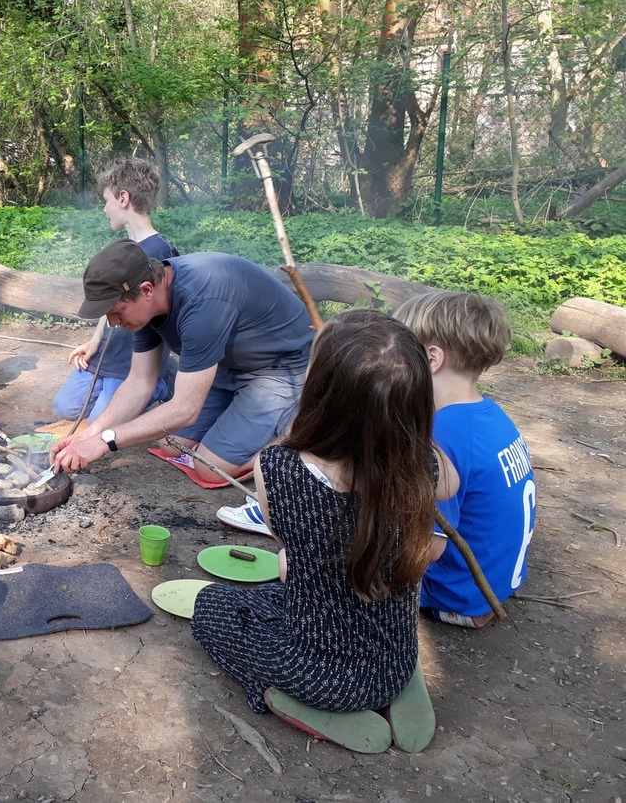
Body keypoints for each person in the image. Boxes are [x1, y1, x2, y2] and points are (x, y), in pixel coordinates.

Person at [190, 310, 459, 754]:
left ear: (319, 393)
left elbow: (288, 546)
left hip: (319, 675)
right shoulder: (423, 467)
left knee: (212, 607)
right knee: (309, 594)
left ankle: (291, 704)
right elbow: (450, 483)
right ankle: (396, 688)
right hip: (394, 658)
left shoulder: (275, 467)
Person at [50, 239, 314, 483]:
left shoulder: (202, 304)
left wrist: (105, 442)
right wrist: (91, 433)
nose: (113, 323)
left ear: (146, 290)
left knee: (211, 469)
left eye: (117, 312)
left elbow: (186, 409)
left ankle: (303, 438)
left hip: (278, 367)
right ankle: (241, 422)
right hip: (226, 364)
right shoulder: (144, 306)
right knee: (171, 443)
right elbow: (140, 382)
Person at [394, 291, 536, 629]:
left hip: (457, 595)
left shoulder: (440, 435)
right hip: (496, 582)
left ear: (431, 359)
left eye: (397, 355)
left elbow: (428, 547)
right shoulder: (489, 415)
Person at [53, 157, 179, 423]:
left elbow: (164, 319)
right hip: (107, 356)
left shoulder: (160, 253)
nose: (104, 209)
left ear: (123, 198)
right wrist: (94, 341)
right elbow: (106, 301)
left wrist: (148, 370)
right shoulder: (122, 249)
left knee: (99, 420)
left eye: (106, 200)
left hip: (133, 362)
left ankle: (160, 382)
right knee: (65, 408)